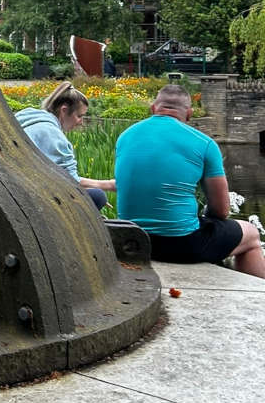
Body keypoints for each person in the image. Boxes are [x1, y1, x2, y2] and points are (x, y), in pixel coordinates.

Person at [114, 84, 265, 276]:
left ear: (153, 108)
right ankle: (255, 300)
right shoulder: (204, 143)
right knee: (251, 233)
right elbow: (221, 210)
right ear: (190, 114)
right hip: (180, 244)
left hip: (131, 240)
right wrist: (207, 216)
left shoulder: (125, 136)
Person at [15, 80, 116, 209]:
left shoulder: (26, 120)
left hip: (17, 186)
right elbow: (70, 181)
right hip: (30, 198)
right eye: (79, 116)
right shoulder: (50, 133)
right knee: (97, 196)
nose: (81, 122)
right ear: (64, 111)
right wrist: (110, 185)